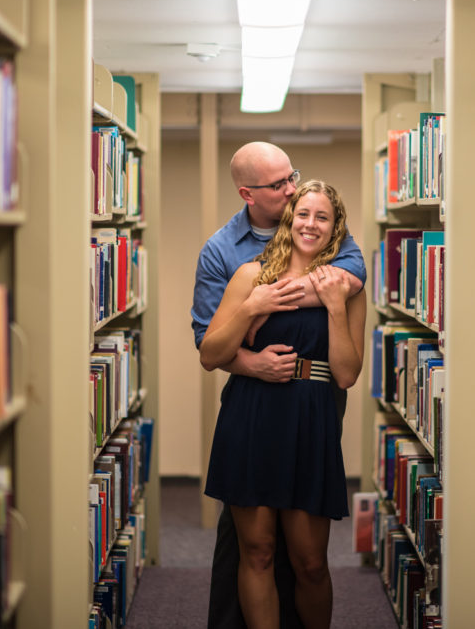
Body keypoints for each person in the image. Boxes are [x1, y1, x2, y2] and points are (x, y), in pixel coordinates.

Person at [191, 142, 365, 628]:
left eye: (322, 216)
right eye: (298, 208)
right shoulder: (237, 265)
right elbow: (210, 350)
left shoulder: (345, 277)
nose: (306, 218)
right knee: (256, 550)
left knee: (311, 561)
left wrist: (331, 303)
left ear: (336, 226)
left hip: (312, 417)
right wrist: (252, 306)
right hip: (252, 414)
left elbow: (348, 374)